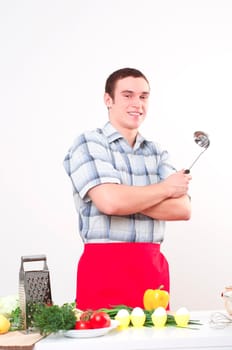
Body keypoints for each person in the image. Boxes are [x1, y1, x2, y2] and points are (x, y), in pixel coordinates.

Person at [63, 67, 192, 311]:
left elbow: (182, 209)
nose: (137, 103)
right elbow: (110, 202)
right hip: (103, 271)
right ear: (108, 99)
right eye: (128, 95)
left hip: (151, 273)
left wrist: (127, 197)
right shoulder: (89, 142)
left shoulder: (157, 152)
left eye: (144, 96)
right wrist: (165, 188)